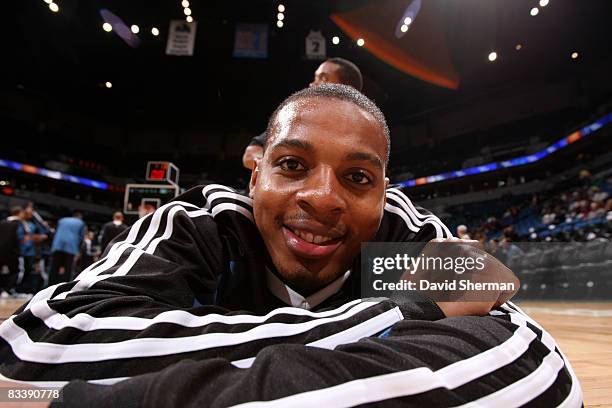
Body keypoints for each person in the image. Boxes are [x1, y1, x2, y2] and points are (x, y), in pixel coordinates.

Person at [0, 85, 579, 407]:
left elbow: (535, 373)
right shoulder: (205, 227)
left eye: (357, 177)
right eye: (293, 165)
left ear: (383, 194)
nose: (324, 199)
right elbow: (39, 346)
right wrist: (396, 311)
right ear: (254, 176)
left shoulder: (395, 235)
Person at [242, 57, 363, 171]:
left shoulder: (363, 132)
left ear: (348, 89)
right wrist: (281, 168)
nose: (312, 84)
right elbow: (250, 154)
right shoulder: (296, 118)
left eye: (323, 78)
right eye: (315, 78)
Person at [15, 204, 48, 294]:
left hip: (31, 252)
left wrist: (37, 217)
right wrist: (34, 237)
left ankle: (25, 291)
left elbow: (44, 233)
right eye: (28, 212)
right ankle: (17, 290)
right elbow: (21, 238)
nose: (30, 214)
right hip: (21, 252)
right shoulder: (20, 223)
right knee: (21, 272)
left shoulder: (32, 224)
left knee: (29, 272)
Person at [48, 210, 86, 284]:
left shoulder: (62, 220)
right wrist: (79, 251)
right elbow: (81, 238)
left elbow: (56, 232)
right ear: (80, 217)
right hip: (71, 248)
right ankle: (64, 289)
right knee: (68, 270)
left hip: (57, 246)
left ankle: (49, 286)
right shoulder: (81, 223)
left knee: (53, 269)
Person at [0, 207, 24, 296]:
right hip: (13, 252)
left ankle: (2, 290)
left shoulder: (2, 222)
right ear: (19, 213)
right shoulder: (18, 224)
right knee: (16, 271)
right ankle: (9, 290)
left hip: (1, 251)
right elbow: (20, 238)